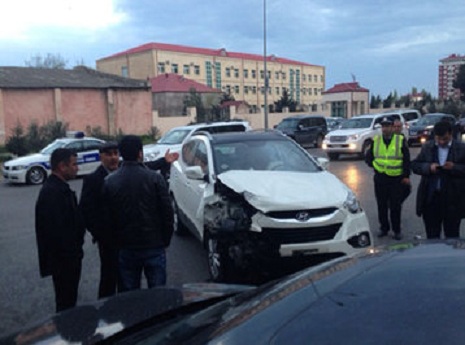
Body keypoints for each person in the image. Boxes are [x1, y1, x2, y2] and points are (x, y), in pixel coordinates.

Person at [80, 142, 178, 298]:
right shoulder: (93, 180)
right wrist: (102, 235)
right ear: (101, 157)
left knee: (131, 287)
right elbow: (88, 212)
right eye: (109, 154)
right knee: (109, 280)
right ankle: (109, 314)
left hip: (129, 244)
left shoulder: (124, 173)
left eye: (115, 154)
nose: (113, 158)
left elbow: (145, 166)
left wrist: (164, 161)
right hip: (110, 242)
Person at [102, 135, 174, 292]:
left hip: (126, 247)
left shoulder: (110, 181)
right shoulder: (155, 178)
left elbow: (108, 219)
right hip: (153, 244)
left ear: (121, 153)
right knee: (158, 295)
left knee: (130, 296)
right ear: (140, 153)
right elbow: (167, 212)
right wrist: (165, 239)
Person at [35, 148, 85, 312]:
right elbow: (57, 232)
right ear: (62, 166)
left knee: (67, 299)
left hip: (65, 259)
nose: (77, 168)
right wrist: (73, 254)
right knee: (66, 303)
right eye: (74, 164)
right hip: (64, 261)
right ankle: (66, 333)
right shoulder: (53, 193)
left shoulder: (58, 188)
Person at [411, 120, 465, 239]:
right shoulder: (428, 147)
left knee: (452, 237)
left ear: (451, 134)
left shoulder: (461, 148)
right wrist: (428, 167)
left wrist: (454, 168)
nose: (441, 142)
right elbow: (415, 165)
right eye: (438, 139)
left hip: (452, 201)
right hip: (431, 199)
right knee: (432, 236)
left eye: (445, 139)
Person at [365, 117, 411, 240]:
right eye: (383, 126)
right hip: (380, 178)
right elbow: (369, 157)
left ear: (392, 127)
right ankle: (384, 228)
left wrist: (406, 176)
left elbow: (406, 159)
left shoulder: (400, 140)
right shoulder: (377, 140)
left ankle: (396, 230)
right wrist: (375, 166)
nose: (385, 129)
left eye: (387, 126)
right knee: (382, 205)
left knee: (395, 206)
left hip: (396, 179)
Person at [393, 119, 412, 203]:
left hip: (400, 173)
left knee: (406, 190)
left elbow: (406, 158)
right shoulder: (387, 138)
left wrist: (406, 175)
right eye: (395, 127)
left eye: (399, 127)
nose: (397, 128)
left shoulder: (402, 139)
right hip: (388, 174)